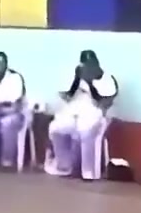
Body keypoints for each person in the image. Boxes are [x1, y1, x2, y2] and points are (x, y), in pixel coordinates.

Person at [45, 49, 118, 180]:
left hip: (96, 116)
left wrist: (90, 83)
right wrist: (77, 79)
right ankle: (64, 166)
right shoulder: (77, 76)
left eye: (91, 64)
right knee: (56, 128)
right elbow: (66, 96)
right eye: (85, 64)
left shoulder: (107, 79)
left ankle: (89, 172)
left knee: (85, 129)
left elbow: (104, 102)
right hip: (75, 114)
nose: (88, 68)